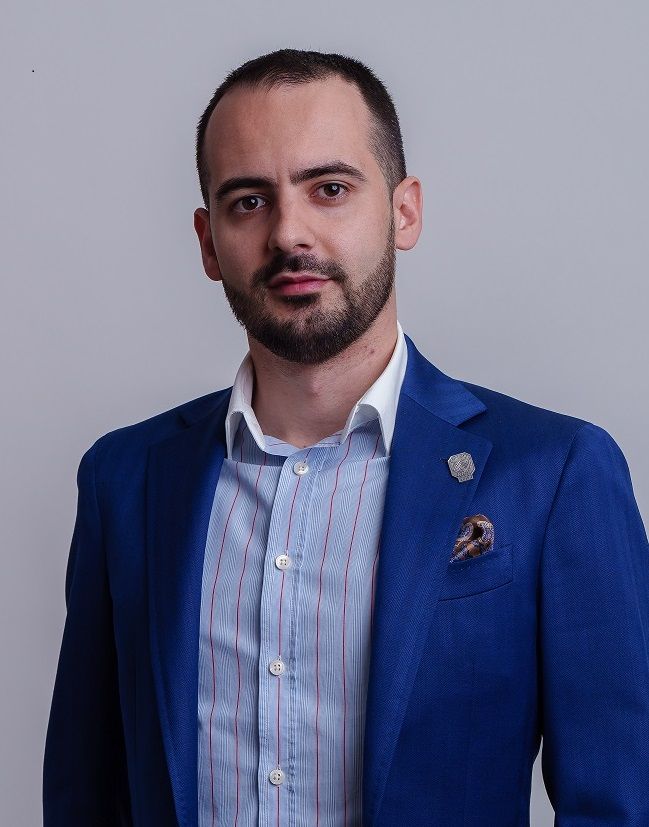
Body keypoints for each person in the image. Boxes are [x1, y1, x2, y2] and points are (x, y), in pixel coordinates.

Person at [43, 48, 649, 827]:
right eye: (248, 201)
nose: (289, 232)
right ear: (207, 241)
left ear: (403, 211)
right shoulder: (124, 480)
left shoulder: (554, 473)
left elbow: (622, 802)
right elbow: (84, 795)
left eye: (329, 189)